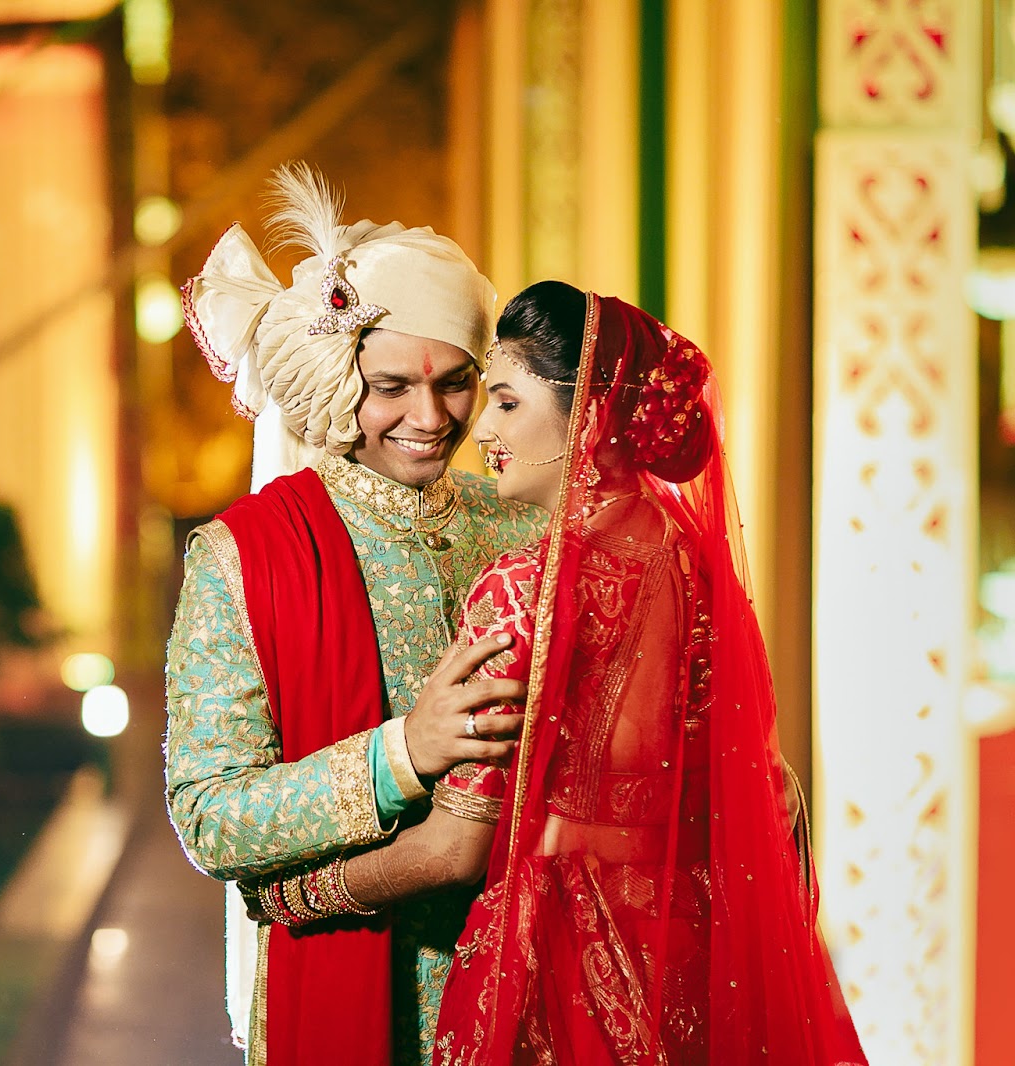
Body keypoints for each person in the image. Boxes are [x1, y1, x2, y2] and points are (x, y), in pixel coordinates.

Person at [324, 280, 864, 1064]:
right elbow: (765, 797)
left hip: (560, 967)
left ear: (591, 415)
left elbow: (453, 850)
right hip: (691, 961)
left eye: (506, 402)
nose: (483, 432)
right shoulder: (703, 576)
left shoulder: (521, 594)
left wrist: (306, 894)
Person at [165, 163, 546, 1066]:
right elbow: (209, 816)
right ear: (341, 376)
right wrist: (400, 754)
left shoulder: (526, 528)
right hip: (356, 997)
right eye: (392, 387)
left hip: (536, 985)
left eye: (457, 382)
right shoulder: (245, 557)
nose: (430, 417)